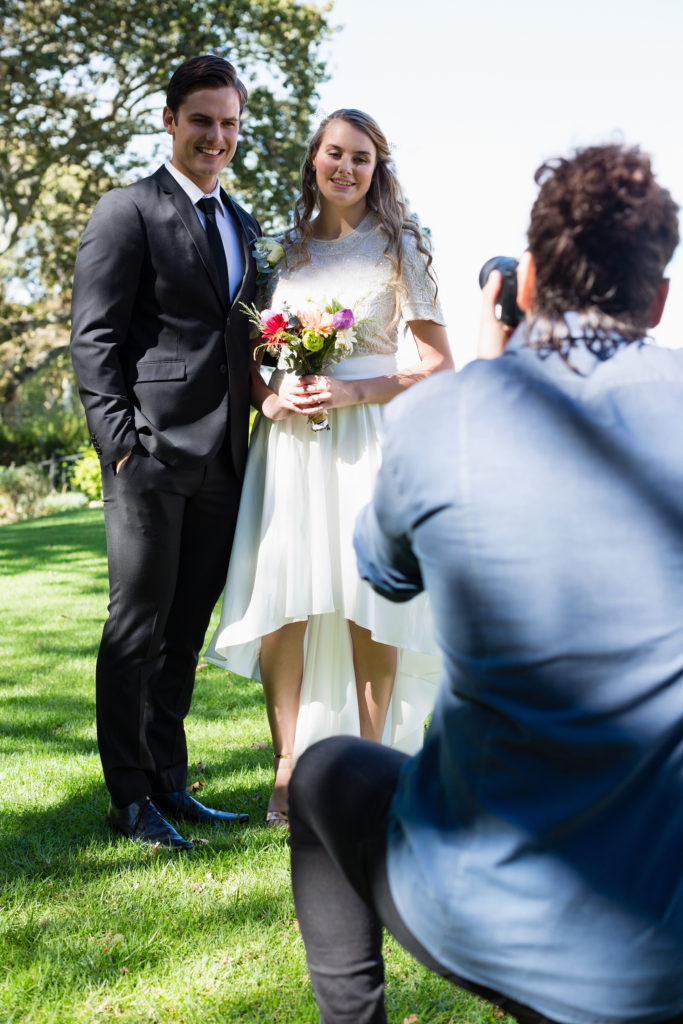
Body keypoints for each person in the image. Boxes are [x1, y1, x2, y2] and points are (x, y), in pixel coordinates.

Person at [288, 143, 683, 1024]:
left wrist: (487, 371)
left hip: (487, 917)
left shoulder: (448, 415)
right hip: (666, 949)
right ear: (657, 298)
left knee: (323, 775)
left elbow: (382, 574)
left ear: (527, 281)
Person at [204, 109, 452, 825]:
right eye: (335, 154)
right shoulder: (278, 252)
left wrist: (354, 389)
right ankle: (286, 770)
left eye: (362, 158)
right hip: (291, 448)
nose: (346, 168)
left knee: (366, 605)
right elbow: (248, 355)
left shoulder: (403, 246)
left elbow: (437, 363)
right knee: (285, 603)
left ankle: (371, 769)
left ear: (378, 170)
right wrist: (267, 395)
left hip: (367, 440)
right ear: (313, 160)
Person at [70, 55, 261, 850]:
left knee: (183, 634)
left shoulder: (242, 223)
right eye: (201, 121)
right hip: (148, 457)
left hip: (225, 461)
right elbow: (95, 337)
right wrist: (121, 450)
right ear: (170, 121)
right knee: (135, 628)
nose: (215, 137)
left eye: (228, 124)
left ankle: (170, 782)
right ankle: (127, 797)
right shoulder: (127, 210)